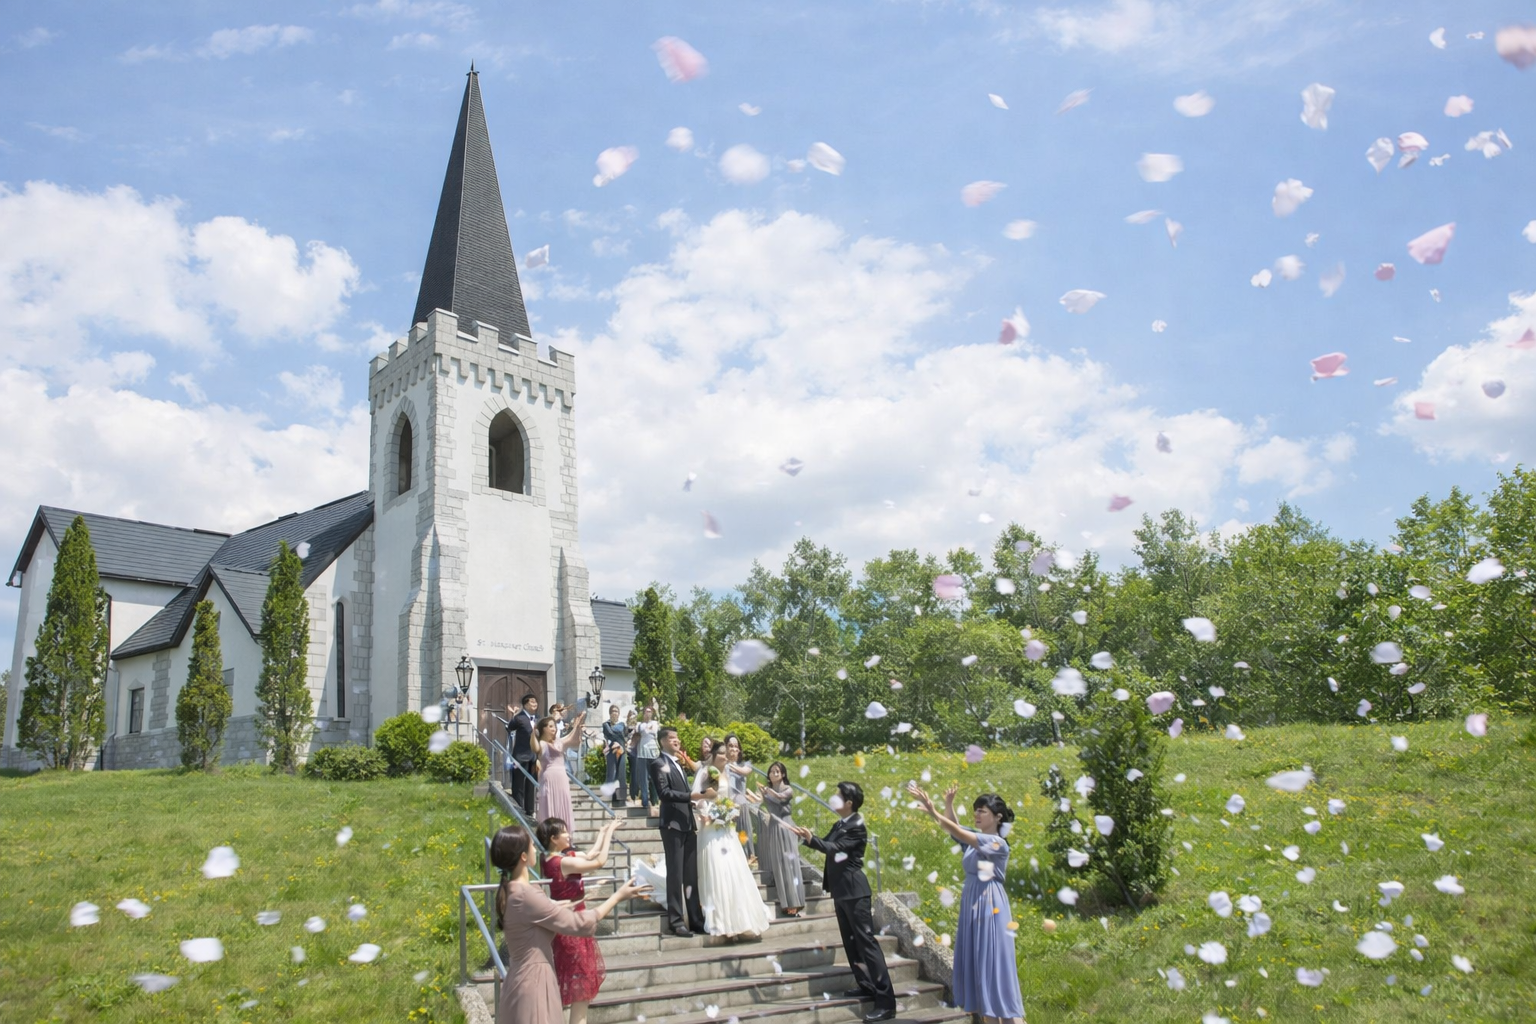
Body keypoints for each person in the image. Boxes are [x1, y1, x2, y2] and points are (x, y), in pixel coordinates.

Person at [490, 823, 649, 1024]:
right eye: (531, 845)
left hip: (522, 980)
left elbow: (546, 910)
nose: (535, 848)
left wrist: (567, 903)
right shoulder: (526, 895)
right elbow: (578, 923)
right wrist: (617, 896)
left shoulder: (514, 891)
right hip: (534, 985)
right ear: (523, 856)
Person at [908, 784, 1024, 1024]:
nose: (977, 814)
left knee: (992, 968)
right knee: (980, 968)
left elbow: (958, 832)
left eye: (982, 811)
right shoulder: (975, 840)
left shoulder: (998, 843)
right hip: (973, 902)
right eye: (976, 810)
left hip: (990, 904)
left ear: (998, 817)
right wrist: (947, 805)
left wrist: (933, 811)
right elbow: (955, 829)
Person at [789, 782, 896, 1023]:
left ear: (849, 802)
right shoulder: (841, 823)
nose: (834, 797)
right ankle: (866, 986)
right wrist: (807, 837)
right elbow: (826, 843)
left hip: (855, 892)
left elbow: (836, 849)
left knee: (867, 945)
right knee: (851, 943)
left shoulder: (857, 825)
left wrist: (813, 839)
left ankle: (886, 1002)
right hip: (841, 892)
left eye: (838, 795)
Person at [537, 817, 622, 1024]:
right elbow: (598, 862)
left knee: (577, 990)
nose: (569, 835)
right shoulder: (564, 862)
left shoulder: (548, 859)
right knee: (581, 993)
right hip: (575, 928)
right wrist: (611, 832)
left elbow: (591, 854)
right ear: (553, 838)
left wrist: (602, 833)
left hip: (565, 926)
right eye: (564, 832)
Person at [693, 740, 773, 939]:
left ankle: (740, 917)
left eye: (725, 753)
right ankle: (720, 918)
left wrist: (730, 811)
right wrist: (708, 813)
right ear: (713, 755)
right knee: (717, 868)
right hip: (711, 827)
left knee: (733, 868)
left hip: (726, 827)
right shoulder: (707, 772)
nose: (726, 756)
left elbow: (726, 798)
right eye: (721, 753)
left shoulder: (726, 773)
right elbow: (700, 798)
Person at [650, 726, 707, 936]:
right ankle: (676, 922)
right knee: (675, 875)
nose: (677, 741)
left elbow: (682, 793)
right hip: (672, 825)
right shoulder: (658, 763)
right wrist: (692, 796)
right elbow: (664, 793)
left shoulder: (678, 764)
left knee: (691, 876)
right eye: (672, 738)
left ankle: (696, 920)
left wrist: (693, 803)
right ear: (663, 741)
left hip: (688, 823)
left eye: (677, 738)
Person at [746, 761, 805, 916]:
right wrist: (755, 796)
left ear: (783, 774)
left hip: (785, 825)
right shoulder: (768, 790)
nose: (774, 774)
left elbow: (780, 797)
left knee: (789, 863)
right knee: (778, 863)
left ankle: (795, 901)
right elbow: (760, 802)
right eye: (772, 771)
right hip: (773, 826)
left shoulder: (787, 789)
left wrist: (767, 792)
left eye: (777, 771)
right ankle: (785, 902)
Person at [535, 707, 587, 831]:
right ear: (543, 729)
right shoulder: (541, 743)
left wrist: (577, 725)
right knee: (550, 804)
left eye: (554, 726)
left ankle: (563, 833)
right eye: (550, 726)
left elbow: (573, 740)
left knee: (562, 803)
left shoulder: (558, 742)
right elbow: (552, 747)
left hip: (561, 777)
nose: (554, 729)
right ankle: (550, 833)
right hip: (549, 778)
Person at [722, 734, 755, 861]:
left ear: (739, 750)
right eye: (730, 746)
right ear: (725, 748)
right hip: (726, 802)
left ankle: (748, 854)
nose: (733, 749)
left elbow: (745, 772)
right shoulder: (721, 764)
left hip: (740, 801)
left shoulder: (745, 764)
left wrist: (729, 764)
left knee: (743, 829)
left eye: (736, 746)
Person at [506, 694, 540, 818]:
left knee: (531, 784)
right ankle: (518, 810)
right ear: (525, 704)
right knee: (518, 784)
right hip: (520, 756)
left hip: (534, 757)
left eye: (536, 702)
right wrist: (513, 715)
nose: (535, 704)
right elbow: (509, 728)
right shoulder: (519, 718)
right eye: (532, 702)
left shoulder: (538, 718)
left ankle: (530, 811)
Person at [630, 705, 660, 815]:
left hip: (654, 753)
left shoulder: (655, 723)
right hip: (642, 753)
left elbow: (653, 732)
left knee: (654, 778)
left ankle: (655, 800)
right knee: (643, 779)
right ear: (643, 713)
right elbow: (638, 733)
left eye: (650, 712)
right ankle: (645, 801)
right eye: (646, 711)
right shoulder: (639, 725)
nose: (648, 713)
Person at [601, 705, 629, 806]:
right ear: (610, 713)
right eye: (613, 711)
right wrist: (618, 740)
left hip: (621, 751)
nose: (614, 713)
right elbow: (610, 734)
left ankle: (621, 800)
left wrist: (620, 743)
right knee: (612, 773)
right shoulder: (606, 725)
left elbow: (625, 736)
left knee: (621, 775)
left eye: (616, 711)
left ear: (619, 713)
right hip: (612, 751)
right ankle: (611, 799)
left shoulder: (622, 724)